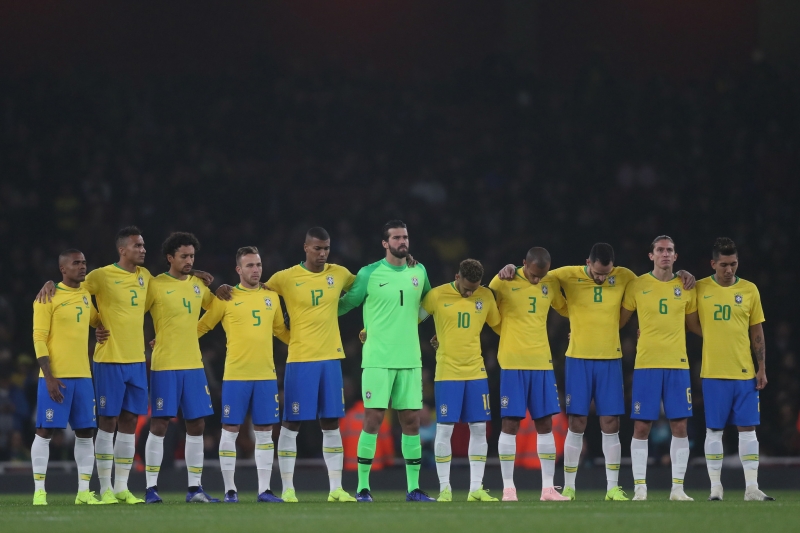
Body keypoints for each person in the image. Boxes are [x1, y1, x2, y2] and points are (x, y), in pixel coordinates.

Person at [497, 242, 694, 500]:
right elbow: (534, 273)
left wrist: (682, 274)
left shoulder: (624, 276)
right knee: (576, 422)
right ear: (588, 263)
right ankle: (569, 486)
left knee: (611, 423)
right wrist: (511, 267)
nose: (602, 278)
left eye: (607, 274)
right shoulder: (566, 274)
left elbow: (655, 283)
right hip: (577, 359)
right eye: (598, 273)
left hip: (610, 359)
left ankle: (612, 487)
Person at [338, 220, 434, 502]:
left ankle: (413, 489)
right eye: (396, 237)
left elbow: (430, 304)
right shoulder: (368, 273)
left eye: (405, 236)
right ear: (385, 243)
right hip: (378, 359)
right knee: (373, 419)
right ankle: (362, 488)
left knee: (412, 421)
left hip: (410, 358)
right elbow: (346, 303)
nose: (402, 241)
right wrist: (317, 315)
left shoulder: (419, 271)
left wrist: (408, 324)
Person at [260, 227, 356, 502]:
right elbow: (258, 293)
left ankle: (336, 488)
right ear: (305, 248)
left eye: (326, 248)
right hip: (301, 359)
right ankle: (288, 488)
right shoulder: (286, 277)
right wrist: (279, 322)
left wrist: (404, 263)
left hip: (331, 358)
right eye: (317, 248)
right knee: (292, 422)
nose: (322, 253)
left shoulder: (339, 273)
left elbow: (364, 288)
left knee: (331, 422)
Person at [198, 246, 289, 503]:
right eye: (249, 265)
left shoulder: (271, 297)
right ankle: (230, 490)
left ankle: (264, 490)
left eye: (258, 264)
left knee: (265, 431)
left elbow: (281, 332)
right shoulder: (226, 297)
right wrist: (171, 341)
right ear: (239, 269)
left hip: (266, 375)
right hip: (236, 375)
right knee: (230, 430)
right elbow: (202, 326)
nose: (256, 269)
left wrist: (306, 342)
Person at [619, 236, 699, 501]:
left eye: (670, 250)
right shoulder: (637, 285)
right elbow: (619, 321)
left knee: (680, 427)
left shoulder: (686, 286)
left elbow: (694, 326)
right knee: (641, 427)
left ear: (675, 256)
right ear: (651, 255)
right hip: (646, 365)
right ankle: (640, 488)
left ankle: (678, 489)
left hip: (678, 364)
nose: (665, 254)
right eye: (660, 250)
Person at [142, 232, 219, 504]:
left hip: (193, 365)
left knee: (197, 424)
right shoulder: (155, 285)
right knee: (160, 423)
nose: (189, 260)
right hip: (165, 365)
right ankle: (151, 488)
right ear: (170, 257)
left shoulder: (198, 284)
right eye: (184, 256)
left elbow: (217, 308)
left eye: (192, 256)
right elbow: (133, 311)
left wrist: (196, 331)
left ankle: (194, 488)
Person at [489, 247, 570, 502]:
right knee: (511, 423)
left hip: (542, 362)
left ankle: (548, 489)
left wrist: (580, 329)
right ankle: (508, 488)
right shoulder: (502, 280)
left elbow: (567, 309)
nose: (537, 280)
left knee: (545, 424)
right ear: (523, 263)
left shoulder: (550, 283)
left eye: (541, 276)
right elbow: (486, 311)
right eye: (533, 274)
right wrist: (506, 331)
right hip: (512, 362)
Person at [695, 238, 773, 501]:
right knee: (714, 430)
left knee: (748, 429)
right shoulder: (700, 288)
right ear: (713, 264)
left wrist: (761, 367)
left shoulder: (749, 290)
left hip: (744, 372)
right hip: (714, 372)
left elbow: (756, 330)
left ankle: (752, 488)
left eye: (733, 264)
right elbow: (687, 319)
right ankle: (715, 487)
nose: (729, 270)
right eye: (724, 265)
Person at [421, 258, 500, 502]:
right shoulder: (436, 296)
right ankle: (445, 488)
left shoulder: (485, 296)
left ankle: (475, 489)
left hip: (476, 371)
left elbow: (500, 325)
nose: (470, 294)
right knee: (445, 429)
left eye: (474, 289)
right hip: (448, 373)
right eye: (466, 289)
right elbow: (412, 319)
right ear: (457, 277)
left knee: (479, 429)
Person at [30, 250, 106, 505]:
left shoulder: (85, 294)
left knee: (85, 432)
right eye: (76, 263)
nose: (82, 266)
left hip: (83, 376)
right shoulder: (46, 297)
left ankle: (83, 492)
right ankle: (39, 491)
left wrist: (100, 329)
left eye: (84, 262)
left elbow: (95, 319)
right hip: (56, 377)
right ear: (63, 269)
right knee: (45, 430)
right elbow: (39, 338)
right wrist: (49, 377)